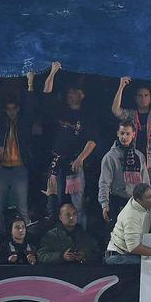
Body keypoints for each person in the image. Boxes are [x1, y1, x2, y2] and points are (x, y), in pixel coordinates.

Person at [41, 62, 98, 226]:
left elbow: (92, 139)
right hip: (56, 161)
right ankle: (56, 235)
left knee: (78, 204)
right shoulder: (60, 109)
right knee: (53, 199)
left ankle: (81, 237)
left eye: (74, 92)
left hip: (74, 164)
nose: (70, 95)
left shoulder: (86, 115)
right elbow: (46, 94)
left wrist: (81, 158)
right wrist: (52, 73)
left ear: (82, 95)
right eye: (69, 92)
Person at [0, 73, 35, 237]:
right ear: (5, 110)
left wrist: (30, 84)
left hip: (20, 169)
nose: (11, 112)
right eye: (9, 109)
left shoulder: (24, 123)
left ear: (18, 109)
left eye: (14, 109)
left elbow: (30, 107)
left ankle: (27, 241)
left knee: (23, 208)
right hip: (2, 169)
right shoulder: (1, 123)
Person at [111, 76, 151, 203]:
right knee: (133, 201)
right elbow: (116, 110)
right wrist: (121, 86)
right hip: (132, 164)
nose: (143, 98)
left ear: (150, 98)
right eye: (139, 95)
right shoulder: (130, 115)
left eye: (146, 95)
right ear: (135, 98)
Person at [105, 183, 151, 266]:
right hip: (119, 255)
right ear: (138, 200)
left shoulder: (148, 204)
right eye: (149, 197)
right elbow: (133, 247)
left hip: (130, 248)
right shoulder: (131, 217)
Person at [98, 120, 151, 225]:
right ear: (118, 133)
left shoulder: (139, 156)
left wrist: (150, 203)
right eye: (122, 133)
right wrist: (105, 204)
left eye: (128, 134)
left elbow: (145, 183)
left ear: (133, 134)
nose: (124, 137)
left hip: (136, 202)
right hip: (117, 201)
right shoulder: (110, 157)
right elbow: (104, 183)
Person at [36, 202, 101, 264]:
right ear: (60, 217)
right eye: (68, 215)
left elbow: (98, 255)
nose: (71, 218)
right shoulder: (50, 236)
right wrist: (62, 256)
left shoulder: (85, 236)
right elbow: (41, 256)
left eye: (74, 214)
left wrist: (84, 257)